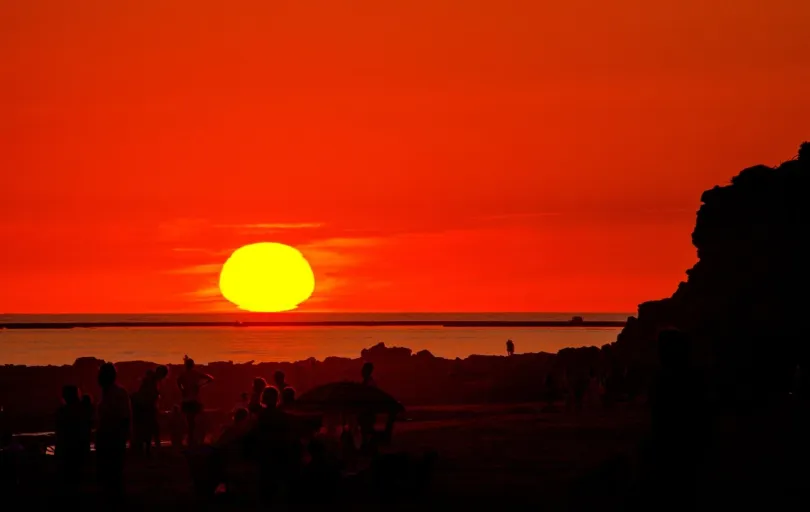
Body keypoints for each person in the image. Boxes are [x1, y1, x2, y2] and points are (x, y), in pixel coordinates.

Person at [96, 362, 131, 501]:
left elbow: (124, 418)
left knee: (113, 474)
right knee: (110, 475)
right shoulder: (110, 393)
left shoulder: (117, 393)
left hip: (113, 439)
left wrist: (121, 437)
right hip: (109, 438)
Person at [55, 385, 89, 495]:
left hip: (67, 452)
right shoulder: (82, 411)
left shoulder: (63, 412)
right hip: (78, 451)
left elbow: (60, 433)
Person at [177, 356, 213, 446]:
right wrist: (201, 385)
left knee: (189, 421)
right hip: (195, 401)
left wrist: (182, 389)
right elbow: (210, 379)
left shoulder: (183, 374)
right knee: (195, 421)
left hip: (186, 400)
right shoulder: (196, 373)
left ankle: (190, 439)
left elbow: (178, 382)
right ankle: (193, 439)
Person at [132, 365, 168, 455]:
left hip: (145, 407)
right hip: (146, 407)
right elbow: (150, 394)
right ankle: (152, 450)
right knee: (152, 429)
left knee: (149, 429)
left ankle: (149, 449)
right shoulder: (152, 380)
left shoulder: (151, 379)